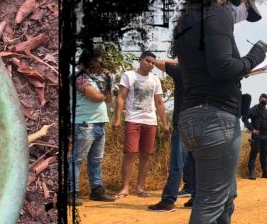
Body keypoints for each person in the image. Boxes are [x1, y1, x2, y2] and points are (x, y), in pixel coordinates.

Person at [171, 0, 267, 224]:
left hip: (195, 115)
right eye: (247, 8)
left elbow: (207, 67)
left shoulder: (192, 19)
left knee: (225, 194)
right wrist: (256, 56)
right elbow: (223, 67)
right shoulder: (217, 13)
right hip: (216, 117)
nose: (244, 15)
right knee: (212, 200)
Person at [148, 54, 198, 212]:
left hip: (182, 122)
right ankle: (196, 198)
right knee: (195, 163)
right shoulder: (204, 72)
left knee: (177, 163)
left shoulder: (181, 70)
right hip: (200, 123)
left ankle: (168, 200)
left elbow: (158, 62)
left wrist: (179, 61)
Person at [115, 51, 167, 198]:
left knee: (146, 155)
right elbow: (121, 97)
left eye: (152, 63)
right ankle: (125, 187)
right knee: (130, 153)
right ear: (141, 60)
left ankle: (140, 188)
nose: (150, 64)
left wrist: (165, 124)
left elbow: (159, 103)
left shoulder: (155, 79)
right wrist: (117, 118)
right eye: (148, 61)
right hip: (133, 119)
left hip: (150, 121)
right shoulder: (129, 75)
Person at [69, 45, 117, 205]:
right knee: (77, 159)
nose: (100, 67)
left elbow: (109, 99)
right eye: (97, 63)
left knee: (96, 159)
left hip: (98, 123)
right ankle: (71, 192)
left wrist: (109, 82)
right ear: (88, 62)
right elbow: (96, 97)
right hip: (85, 122)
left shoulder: (95, 79)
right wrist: (105, 88)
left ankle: (97, 190)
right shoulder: (79, 77)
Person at [242, 93, 267, 179]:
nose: (264, 100)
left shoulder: (266, 111)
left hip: (266, 137)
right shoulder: (254, 109)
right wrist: (252, 129)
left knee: (264, 156)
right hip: (257, 136)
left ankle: (265, 172)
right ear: (259, 99)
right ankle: (251, 173)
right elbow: (244, 118)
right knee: (253, 155)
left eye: (266, 99)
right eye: (263, 99)